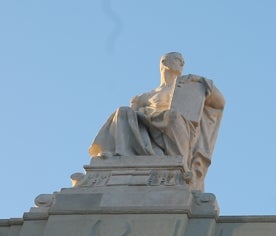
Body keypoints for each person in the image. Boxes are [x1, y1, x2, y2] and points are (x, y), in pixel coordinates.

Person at [89, 52, 226, 190]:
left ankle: (181, 166)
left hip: (177, 129)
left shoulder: (189, 87)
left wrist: (203, 82)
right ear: (164, 63)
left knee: (171, 116)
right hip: (149, 128)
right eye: (178, 60)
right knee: (122, 111)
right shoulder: (147, 96)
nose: (182, 64)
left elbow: (220, 103)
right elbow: (131, 117)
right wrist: (142, 111)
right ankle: (122, 153)